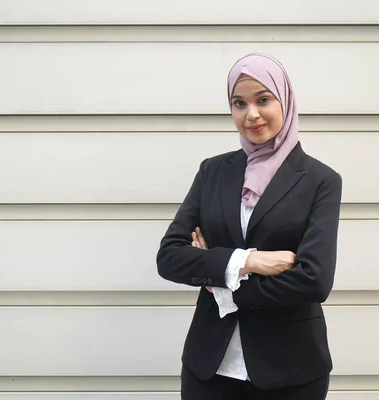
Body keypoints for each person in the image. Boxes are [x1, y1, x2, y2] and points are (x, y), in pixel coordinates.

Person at [156, 53, 343, 399]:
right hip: (208, 369)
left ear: (284, 100)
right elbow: (169, 257)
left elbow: (314, 280)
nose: (251, 114)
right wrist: (247, 262)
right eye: (239, 103)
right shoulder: (213, 172)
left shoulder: (320, 181)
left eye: (263, 99)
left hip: (291, 371)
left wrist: (222, 284)